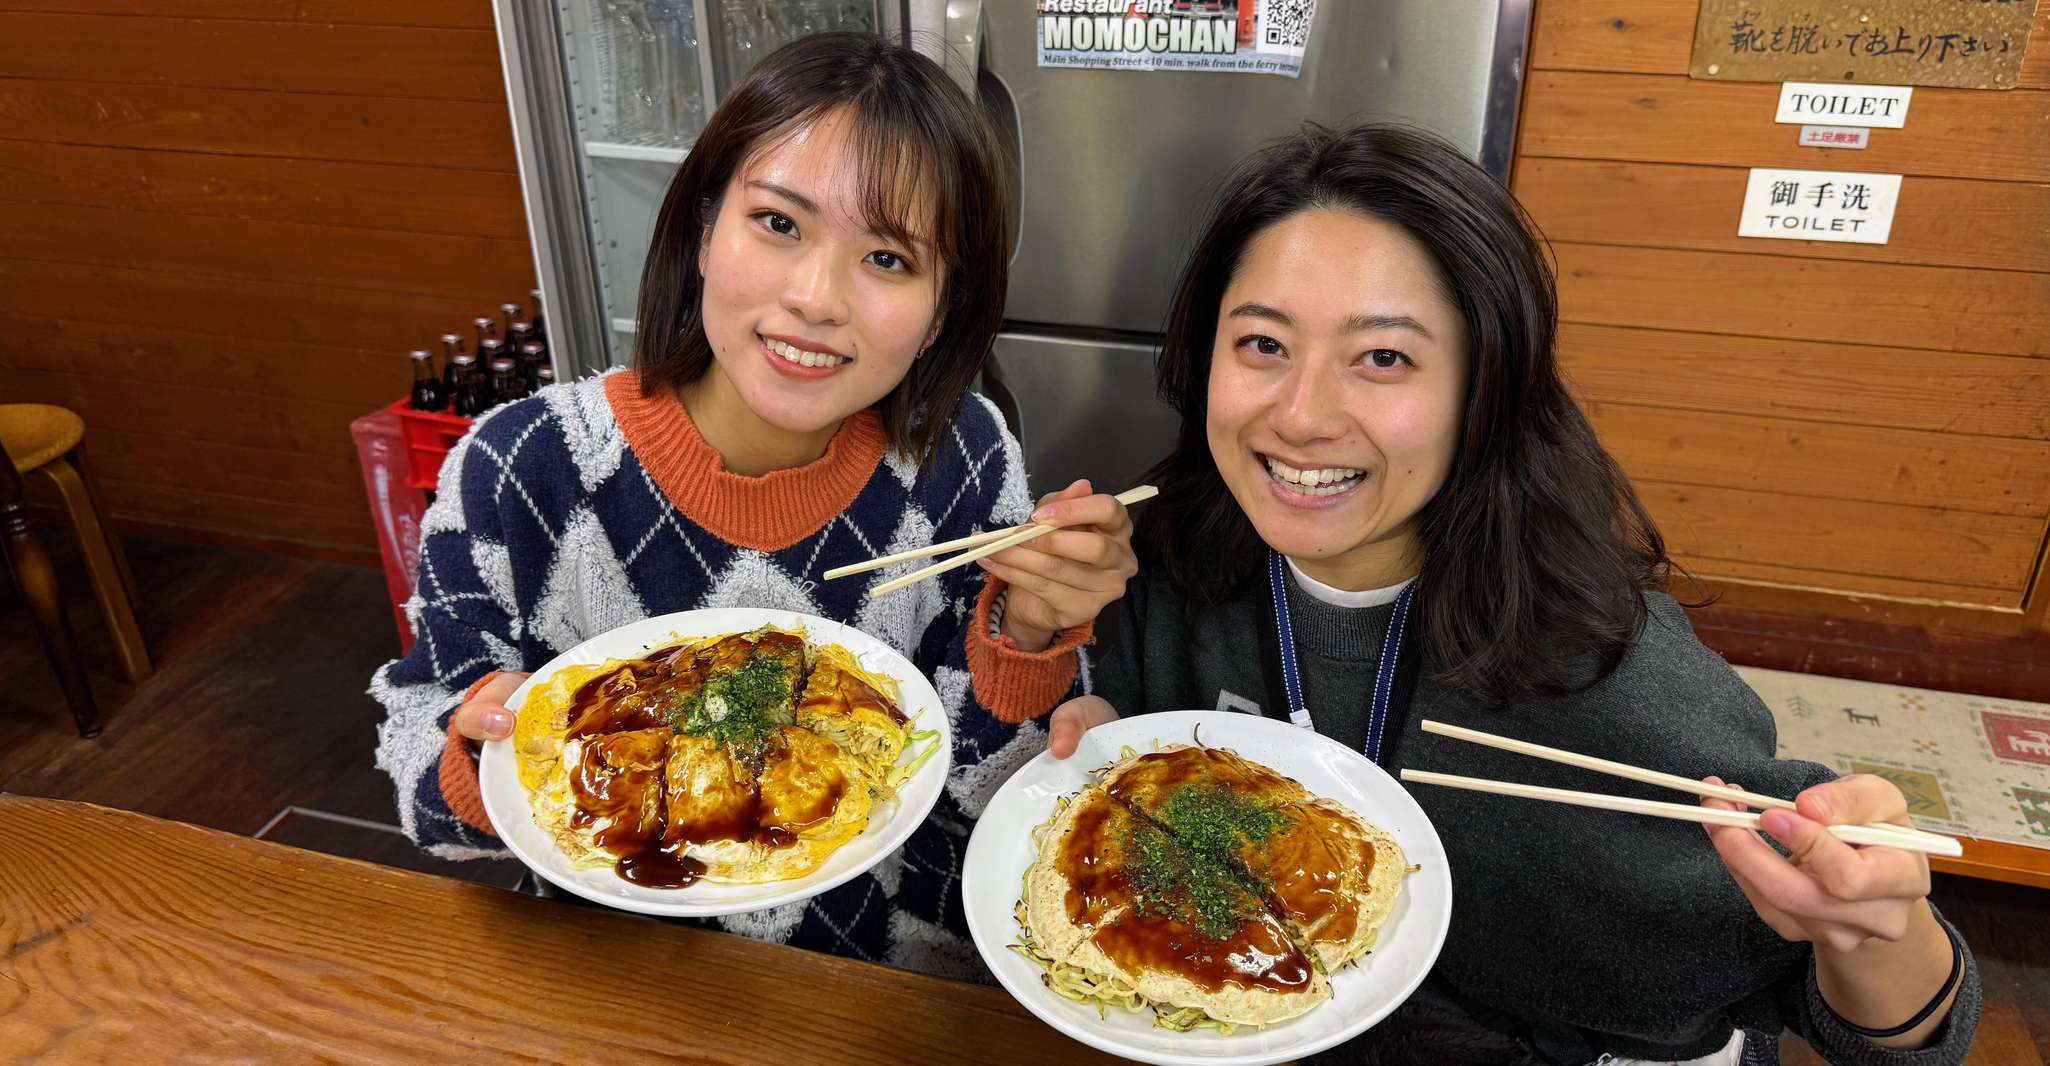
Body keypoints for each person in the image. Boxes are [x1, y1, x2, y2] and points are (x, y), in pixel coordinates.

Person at [1045, 123, 1978, 1064]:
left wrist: (1879, 932)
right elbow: (1108, 725)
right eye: (1261, 343)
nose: (1300, 415)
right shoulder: (1181, 566)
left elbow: (1891, 1032)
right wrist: (1076, 687)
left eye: (1383, 359)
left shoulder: (1605, 671)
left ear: (1484, 387)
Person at [370, 32, 1137, 979]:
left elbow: (994, 796)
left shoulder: (961, 454)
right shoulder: (523, 466)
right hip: (619, 981)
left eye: (889, 258)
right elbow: (420, 784)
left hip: (892, 990)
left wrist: (1030, 635)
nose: (816, 298)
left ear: (943, 308)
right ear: (702, 228)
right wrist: (476, 751)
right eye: (780, 223)